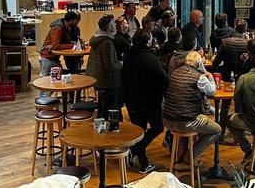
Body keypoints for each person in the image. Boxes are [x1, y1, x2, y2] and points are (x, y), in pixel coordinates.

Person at [123, 29, 168, 173]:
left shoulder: (129, 55)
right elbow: (163, 78)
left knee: (139, 130)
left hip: (131, 98)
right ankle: (136, 151)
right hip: (149, 99)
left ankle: (143, 163)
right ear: (148, 41)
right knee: (158, 127)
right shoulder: (150, 58)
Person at [162, 51, 220, 164]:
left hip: (167, 119)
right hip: (186, 122)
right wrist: (210, 77)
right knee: (216, 130)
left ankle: (181, 157)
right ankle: (191, 155)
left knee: (200, 126)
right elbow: (212, 91)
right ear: (199, 64)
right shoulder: (199, 77)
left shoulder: (175, 72)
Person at [86, 14, 122, 117]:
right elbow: (109, 66)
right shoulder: (107, 42)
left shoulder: (97, 38)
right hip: (107, 81)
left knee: (102, 106)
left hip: (98, 77)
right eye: (113, 24)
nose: (115, 26)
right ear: (109, 27)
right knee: (110, 108)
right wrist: (121, 64)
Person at [39, 11, 81, 96]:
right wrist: (72, 46)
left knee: (53, 83)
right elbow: (55, 46)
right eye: (75, 21)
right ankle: (43, 102)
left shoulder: (66, 28)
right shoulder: (57, 28)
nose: (76, 23)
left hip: (53, 58)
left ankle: (47, 101)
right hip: (47, 58)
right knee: (47, 85)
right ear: (72, 20)